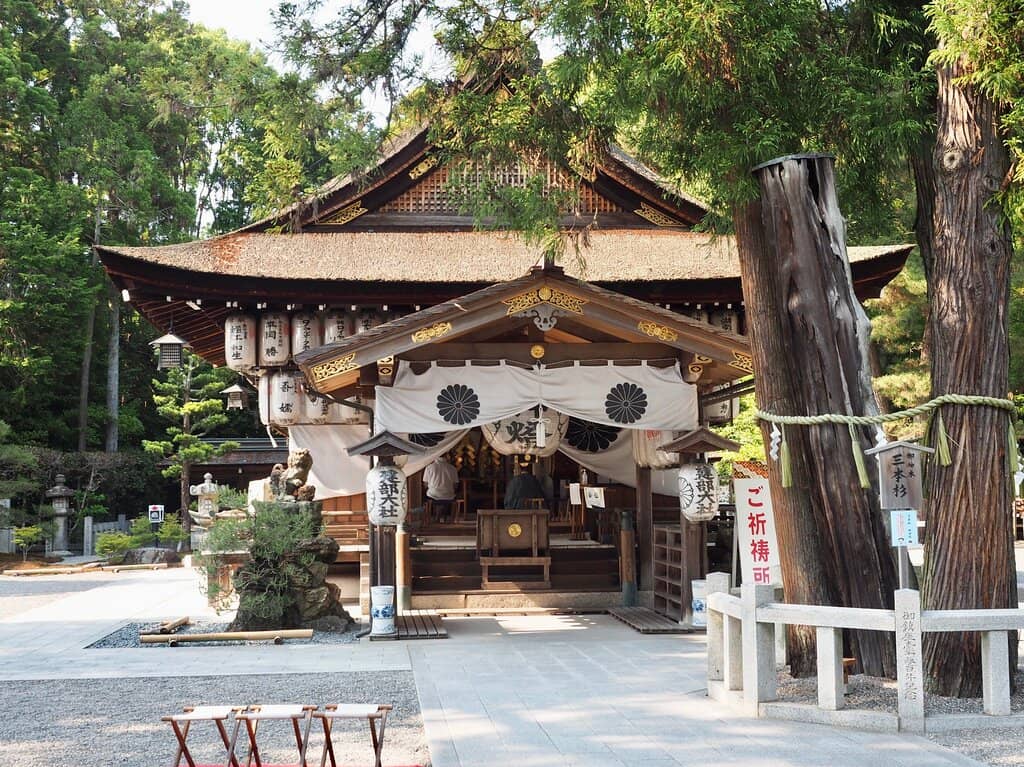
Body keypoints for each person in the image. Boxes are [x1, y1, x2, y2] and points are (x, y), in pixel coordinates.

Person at [423, 453, 459, 523]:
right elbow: (456, 485)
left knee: (433, 495)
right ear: (446, 456)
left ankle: (437, 517)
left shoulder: (429, 467)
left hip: (433, 495)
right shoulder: (452, 468)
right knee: (445, 496)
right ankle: (443, 517)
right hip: (448, 495)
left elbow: (425, 484)